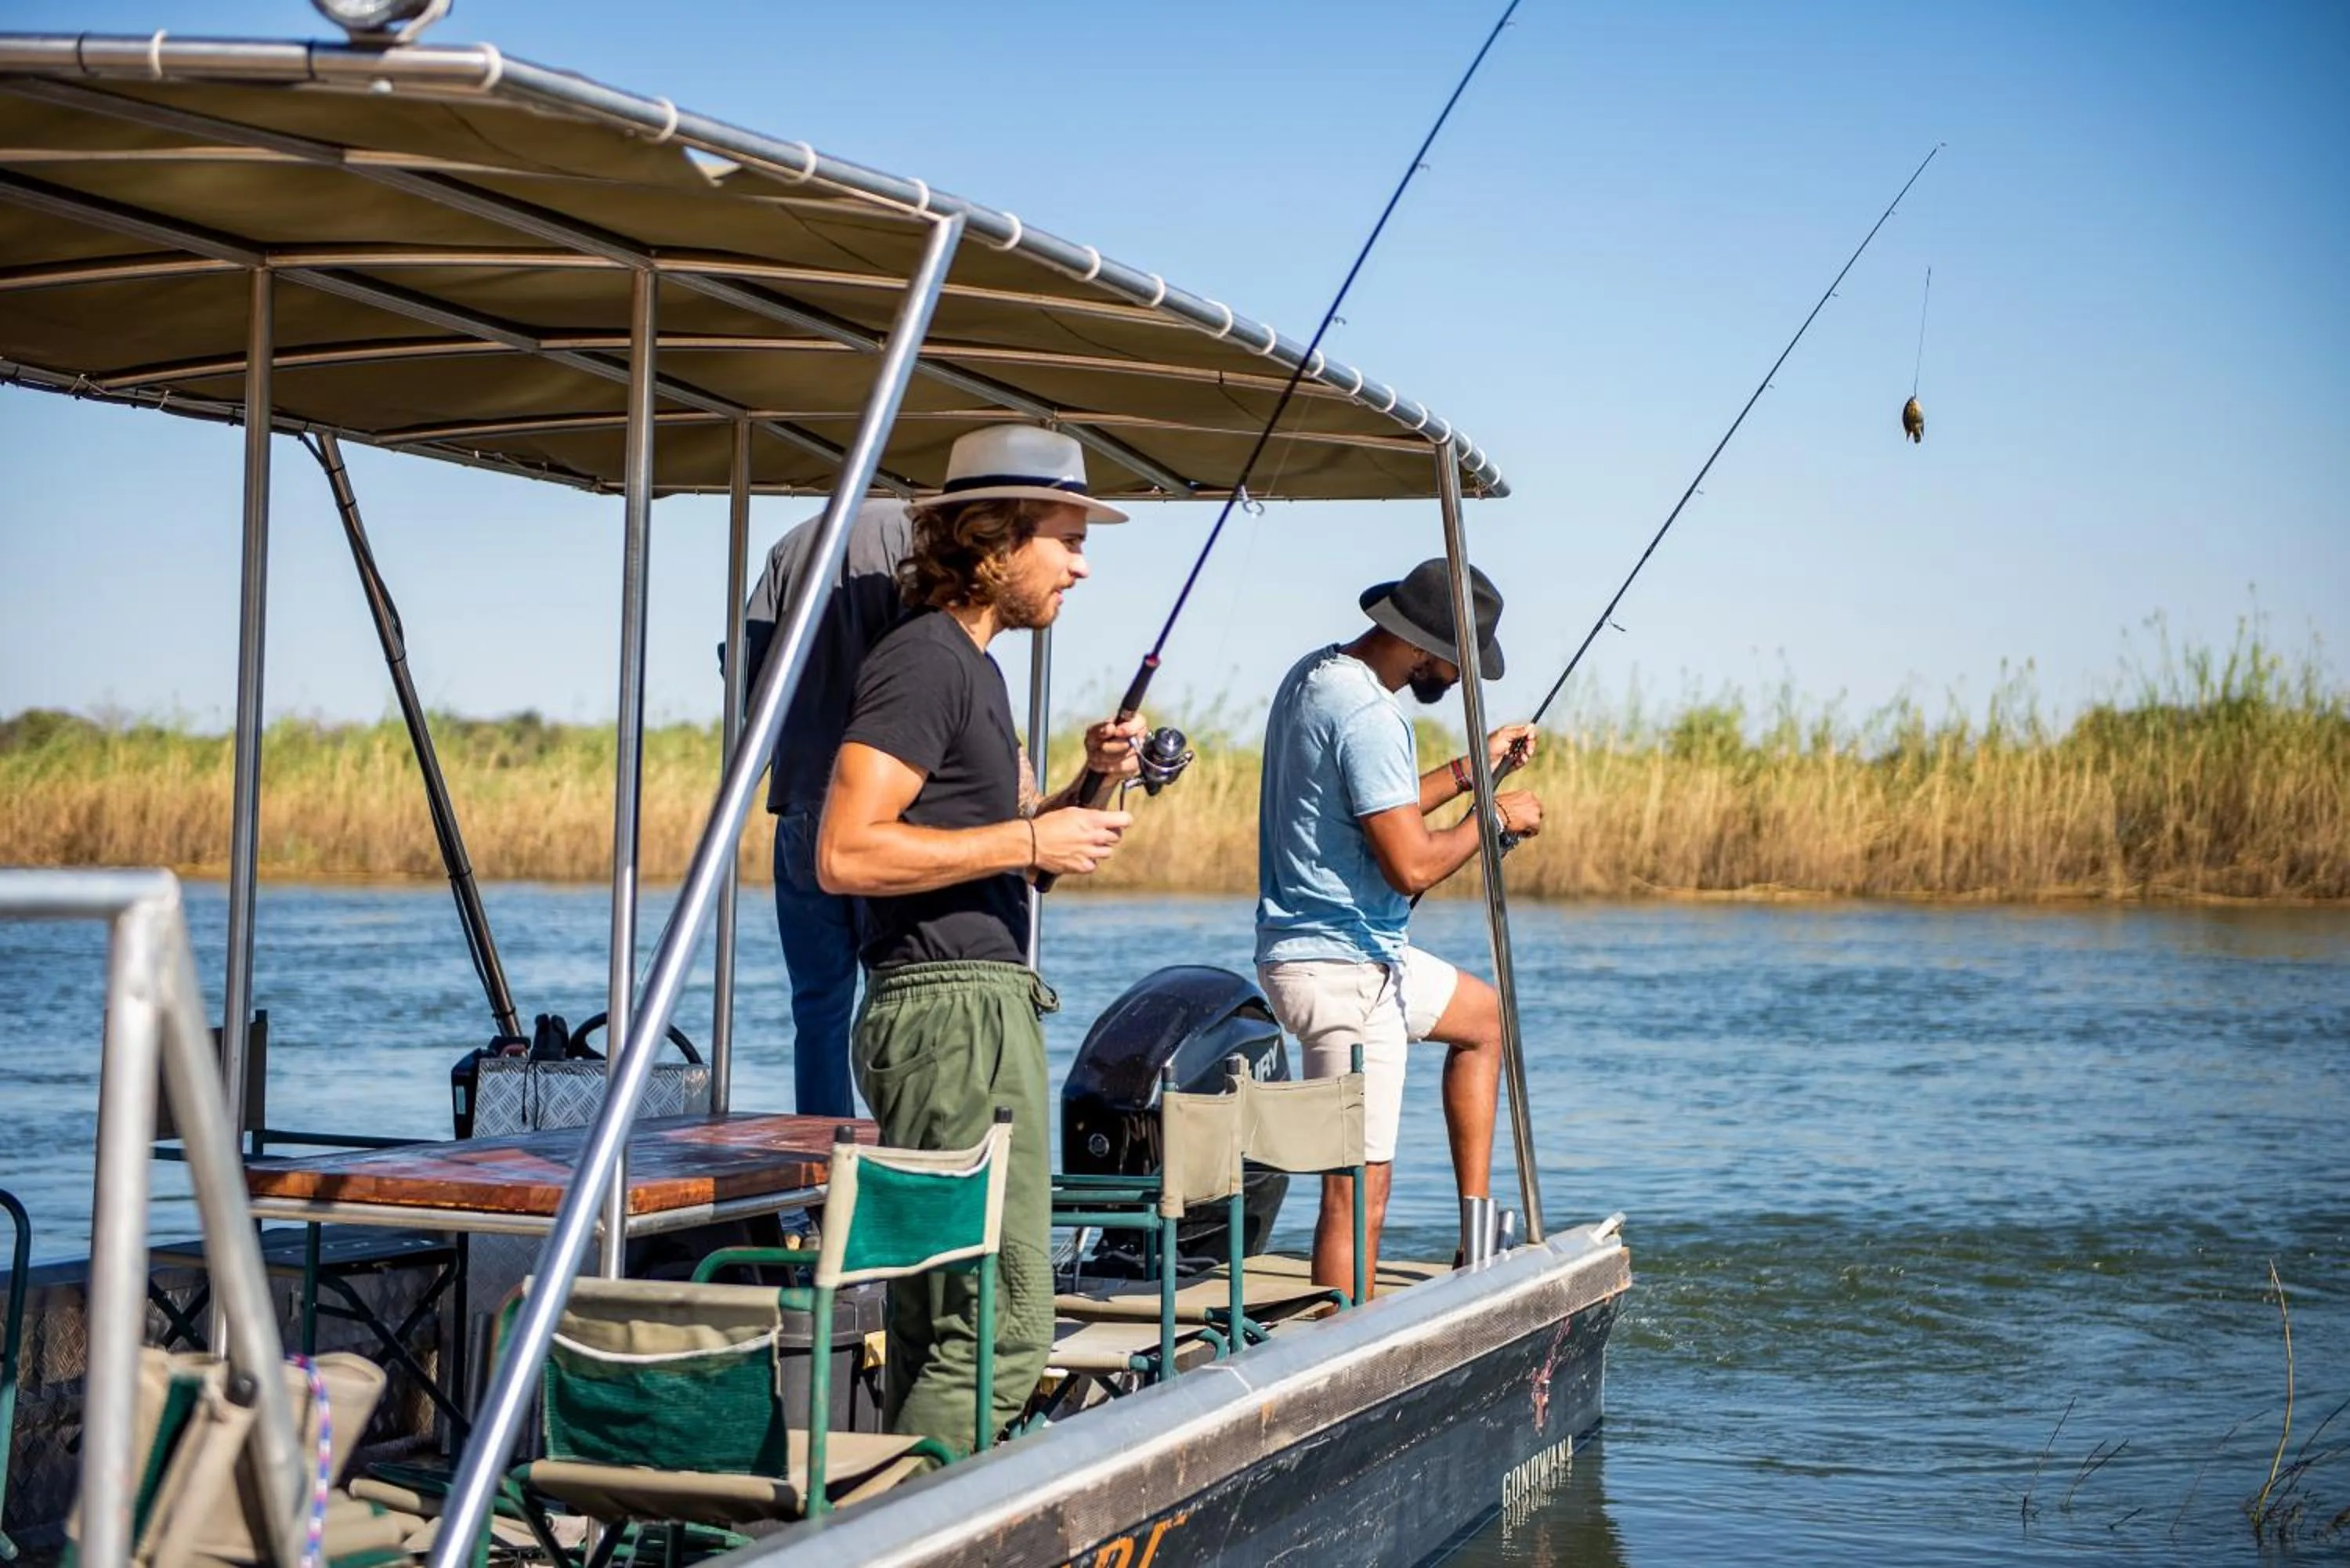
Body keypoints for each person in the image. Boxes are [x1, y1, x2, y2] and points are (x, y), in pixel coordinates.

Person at [816, 423, 1144, 1454]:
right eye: (1066, 538)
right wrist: (1028, 831)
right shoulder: (926, 662)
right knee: (1002, 1324)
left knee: (946, 1315)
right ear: (997, 542)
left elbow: (1013, 859)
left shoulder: (974, 669)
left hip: (976, 1010)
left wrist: (1089, 784)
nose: (1083, 565)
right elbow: (846, 852)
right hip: (953, 1016)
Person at [1253, 558, 1545, 1292]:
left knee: (1484, 1018)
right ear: (1422, 646)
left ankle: (1473, 1242)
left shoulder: (1317, 674)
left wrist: (1471, 771)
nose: (1459, 681)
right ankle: (1338, 1356)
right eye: (1459, 664)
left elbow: (1378, 805)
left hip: (1346, 955)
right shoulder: (1372, 716)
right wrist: (1497, 819)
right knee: (1357, 1192)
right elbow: (1410, 866)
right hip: (1342, 973)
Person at [735, 495, 912, 1119]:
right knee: (902, 989)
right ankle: (901, 1154)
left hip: (804, 797)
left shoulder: (791, 546)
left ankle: (819, 1177)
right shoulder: (918, 537)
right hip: (890, 806)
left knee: (817, 1005)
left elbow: (749, 683)